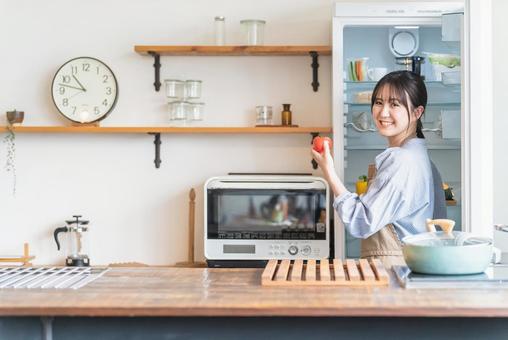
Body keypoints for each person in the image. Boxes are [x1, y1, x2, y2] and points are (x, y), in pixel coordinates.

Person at [312, 71, 446, 267]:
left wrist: (329, 172)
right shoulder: (421, 157)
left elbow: (361, 221)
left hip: (392, 271)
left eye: (394, 104)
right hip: (412, 265)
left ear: (417, 112)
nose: (383, 113)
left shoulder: (400, 159)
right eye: (378, 102)